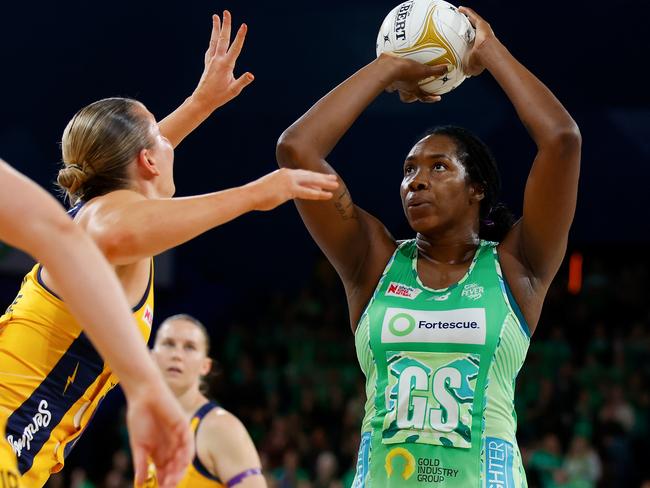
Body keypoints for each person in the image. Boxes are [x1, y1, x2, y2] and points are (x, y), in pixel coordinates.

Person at [0, 11, 338, 487]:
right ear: (146, 160)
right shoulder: (105, 220)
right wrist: (256, 194)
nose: (167, 138)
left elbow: (140, 155)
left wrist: (201, 102)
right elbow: (115, 231)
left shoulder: (108, 198)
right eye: (159, 135)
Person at [276, 6, 580, 487]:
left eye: (438, 167)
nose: (415, 182)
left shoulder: (517, 265)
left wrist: (490, 52)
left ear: (477, 187)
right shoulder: (371, 261)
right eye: (408, 170)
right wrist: (390, 66)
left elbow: (562, 140)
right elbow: (297, 150)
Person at [0, 160, 192, 488]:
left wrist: (200, 104)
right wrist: (259, 193)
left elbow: (130, 145)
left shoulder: (92, 217)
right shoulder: (98, 229)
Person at [142, 314, 267, 488]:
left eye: (189, 347)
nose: (177, 355)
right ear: (152, 357)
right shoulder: (145, 425)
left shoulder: (220, 428)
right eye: (169, 344)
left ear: (205, 366)